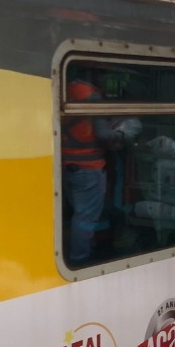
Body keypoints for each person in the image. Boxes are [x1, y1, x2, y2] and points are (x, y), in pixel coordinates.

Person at [62, 79, 125, 266]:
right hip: (89, 168)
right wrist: (121, 135)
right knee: (85, 218)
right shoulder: (94, 97)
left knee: (79, 214)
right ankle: (81, 258)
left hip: (68, 166)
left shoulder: (69, 91)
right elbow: (102, 133)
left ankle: (85, 249)